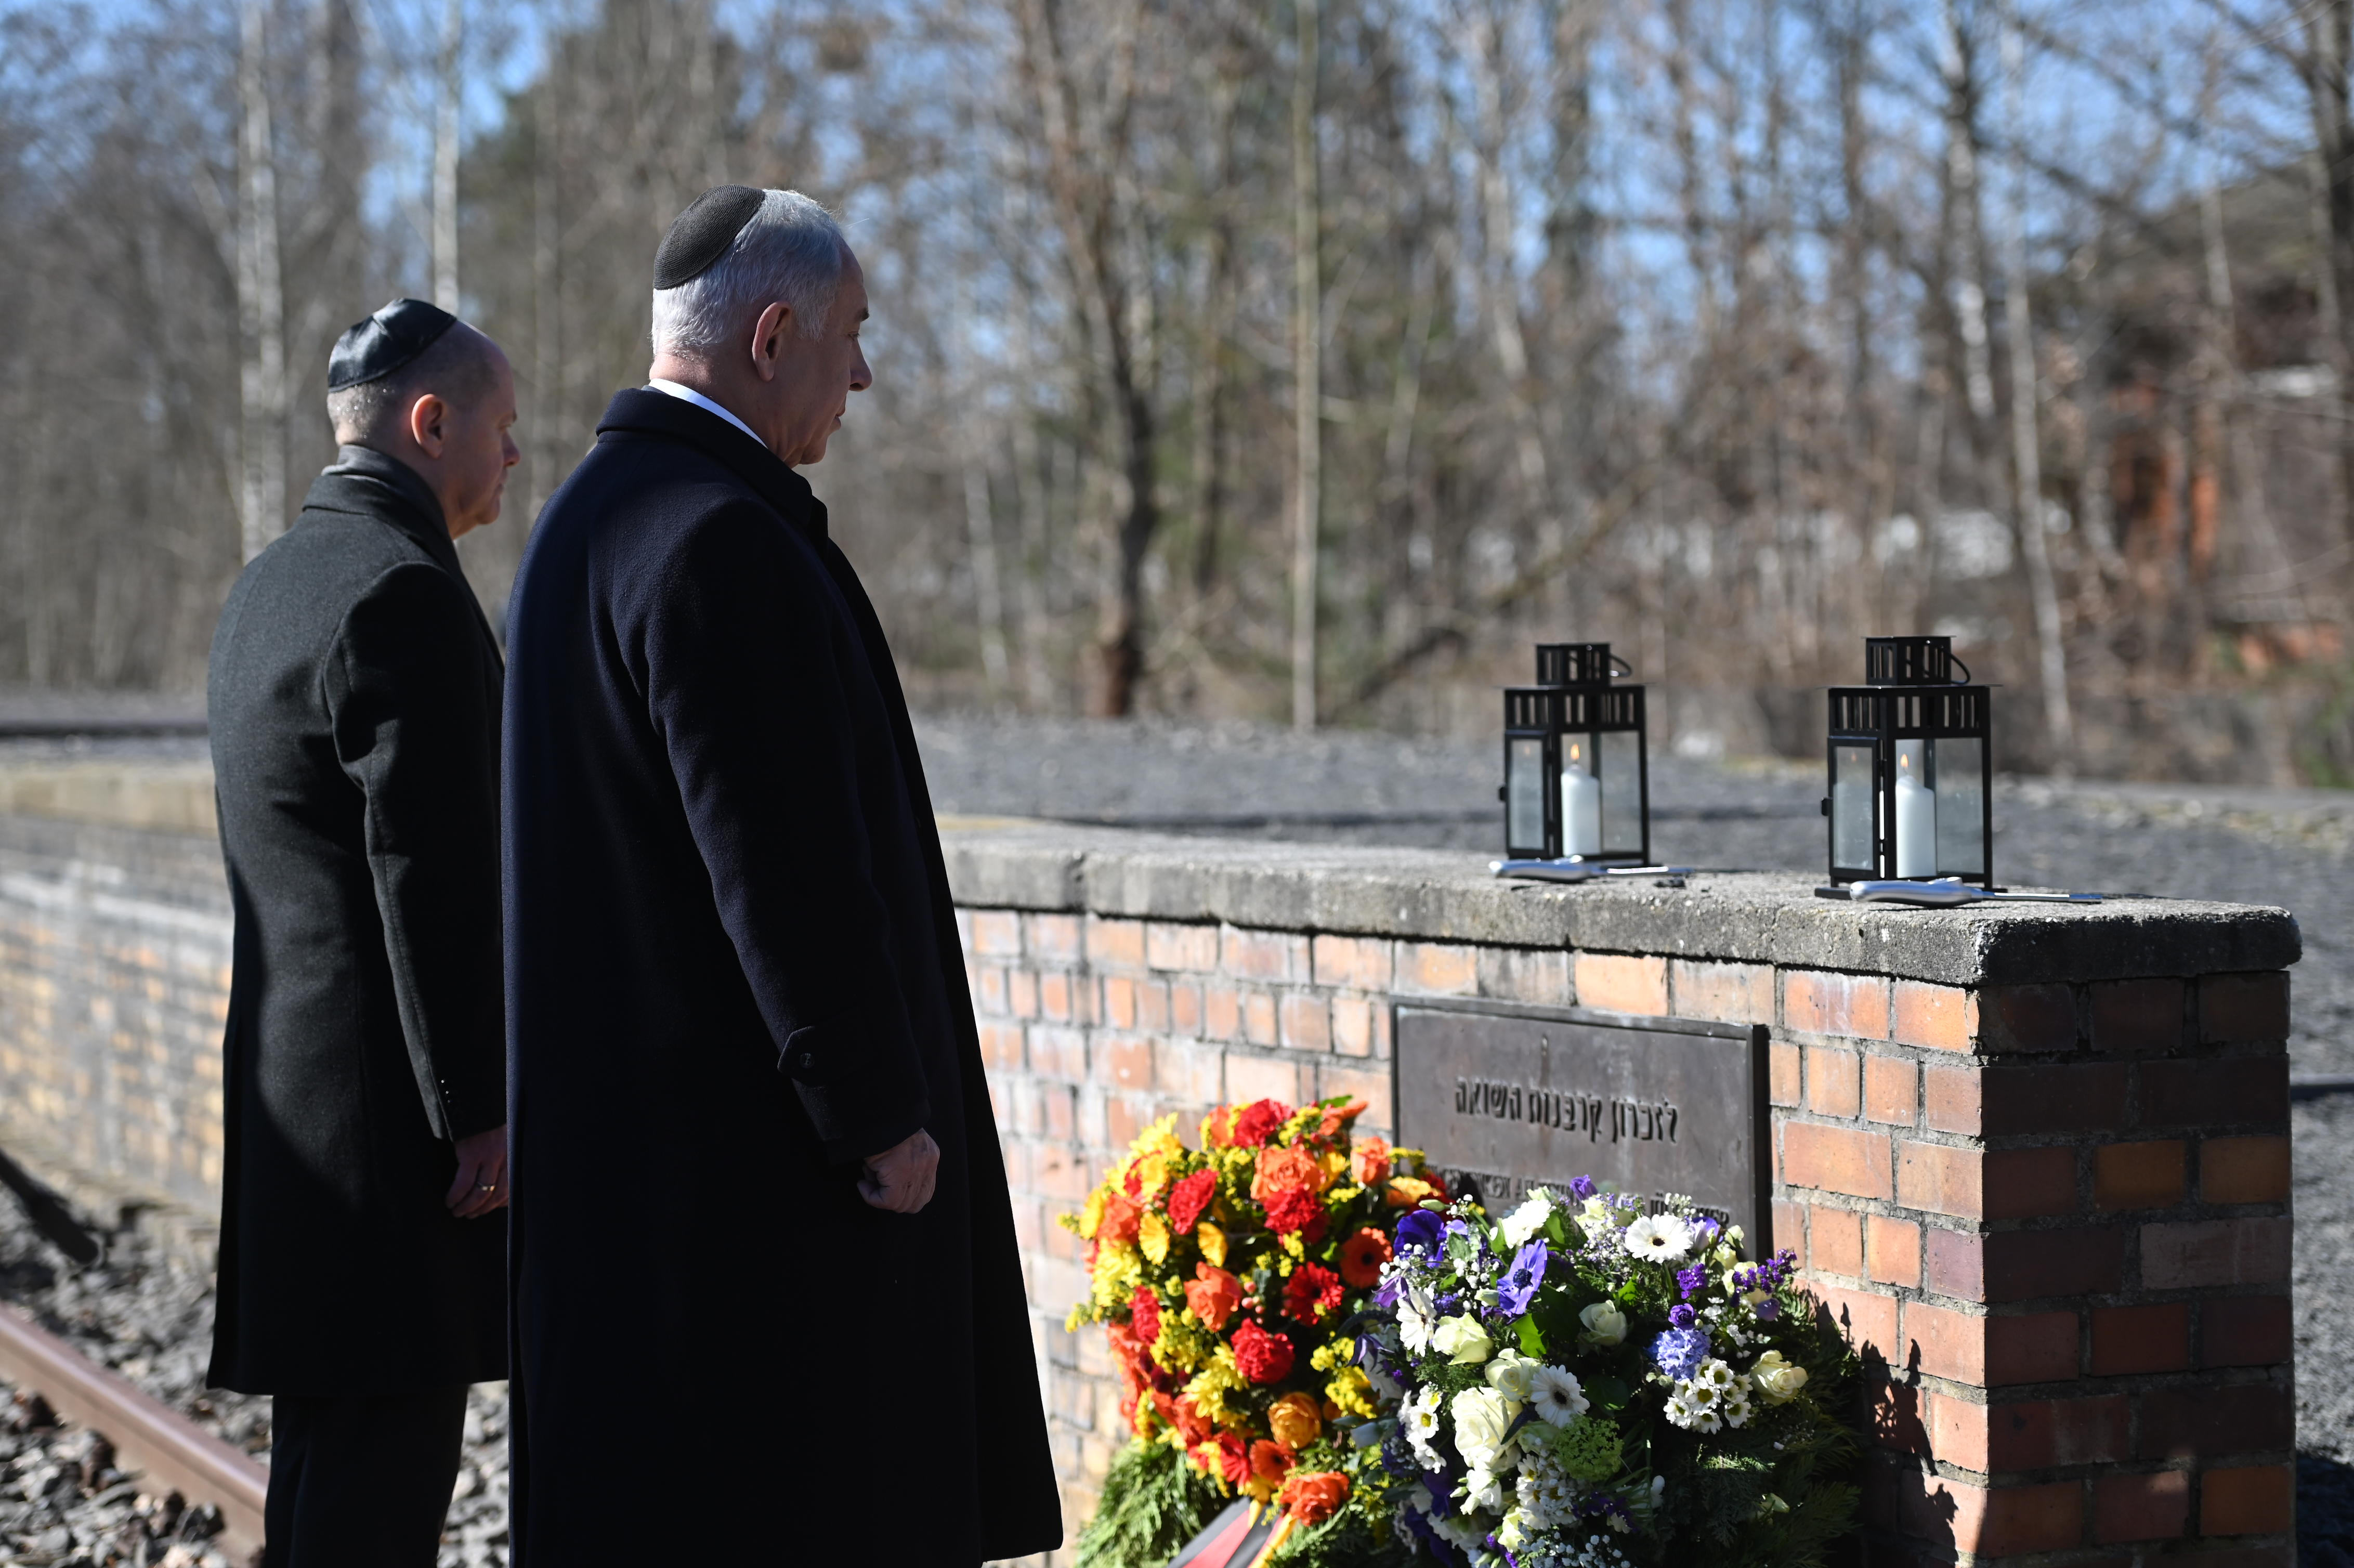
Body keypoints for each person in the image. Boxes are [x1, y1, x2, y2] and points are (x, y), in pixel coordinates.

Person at [502, 187, 1060, 1564]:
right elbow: (783, 871)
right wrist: (877, 1114)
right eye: (852, 337)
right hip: (756, 1214)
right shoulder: (717, 539)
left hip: (635, 1201)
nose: (861, 375)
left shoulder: (587, 522)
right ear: (772, 334)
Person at [206, 299, 519, 1567]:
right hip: (390, 1135)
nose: (511, 457)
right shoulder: (403, 594)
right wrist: (478, 1107)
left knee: (325, 1485)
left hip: (296, 1117)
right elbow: (427, 877)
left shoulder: (269, 582)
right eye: (499, 429)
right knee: (378, 1500)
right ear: (426, 422)